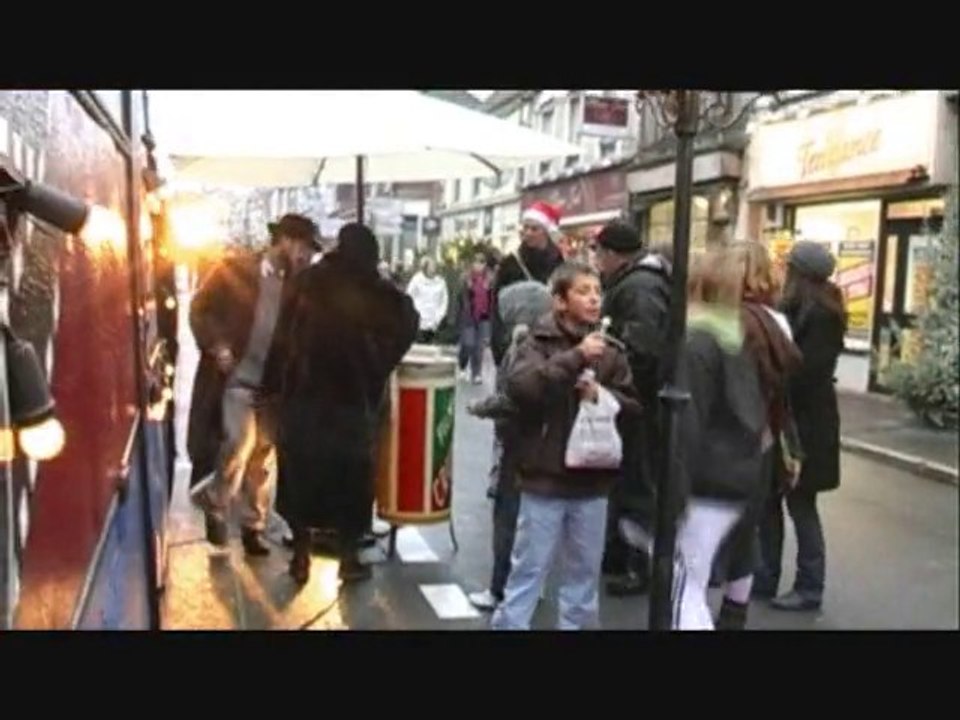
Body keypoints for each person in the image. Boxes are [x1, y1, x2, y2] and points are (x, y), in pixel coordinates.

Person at [490, 262, 641, 630]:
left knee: (583, 577)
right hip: (545, 476)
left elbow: (634, 406)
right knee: (529, 570)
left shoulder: (611, 350)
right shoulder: (535, 342)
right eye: (583, 291)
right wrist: (575, 358)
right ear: (559, 301)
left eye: (596, 291)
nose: (593, 299)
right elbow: (522, 388)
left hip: (592, 479)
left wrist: (601, 395)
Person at [270, 222, 418, 584]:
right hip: (352, 402)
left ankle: (301, 556)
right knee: (351, 481)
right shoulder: (377, 289)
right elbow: (409, 320)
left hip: (305, 401)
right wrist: (379, 363)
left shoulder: (307, 281)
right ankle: (348, 559)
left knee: (299, 478)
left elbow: (281, 337)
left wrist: (276, 388)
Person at [187, 213, 319, 556]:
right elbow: (199, 308)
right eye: (304, 247)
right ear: (285, 240)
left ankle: (252, 526)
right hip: (234, 379)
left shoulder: (298, 285)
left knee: (262, 457)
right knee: (238, 442)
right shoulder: (235, 269)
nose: (306, 256)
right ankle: (215, 502)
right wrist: (215, 344)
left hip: (272, 385)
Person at [670, 246, 767, 630]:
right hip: (737, 473)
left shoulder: (699, 340)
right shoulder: (734, 337)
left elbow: (688, 425)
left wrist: (673, 496)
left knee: (685, 588)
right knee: (697, 577)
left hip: (706, 481)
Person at [711, 241, 802, 630]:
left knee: (706, 529)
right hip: (763, 435)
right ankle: (735, 612)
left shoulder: (724, 320)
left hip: (723, 440)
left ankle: (695, 611)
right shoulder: (776, 320)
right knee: (746, 529)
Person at [757, 241, 846, 612]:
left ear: (799, 273)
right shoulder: (801, 309)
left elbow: (806, 373)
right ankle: (765, 575)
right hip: (791, 420)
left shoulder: (819, 315)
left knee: (800, 504)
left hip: (805, 426)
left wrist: (774, 373)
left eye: (788, 266)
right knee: (770, 499)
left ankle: (809, 586)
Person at [592, 222, 672, 596]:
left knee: (637, 485)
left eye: (598, 253)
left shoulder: (639, 287)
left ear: (612, 253)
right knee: (626, 482)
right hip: (636, 400)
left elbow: (644, 348)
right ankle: (620, 554)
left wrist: (612, 365)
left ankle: (640, 566)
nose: (596, 261)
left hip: (640, 402)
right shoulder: (636, 282)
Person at [466, 279, 552, 611]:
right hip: (547, 446)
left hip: (519, 444)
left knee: (508, 517)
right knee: (538, 521)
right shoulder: (557, 342)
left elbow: (515, 397)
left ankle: (499, 588)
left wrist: (483, 407)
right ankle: (533, 582)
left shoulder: (523, 347)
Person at [490, 201, 565, 367]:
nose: (528, 233)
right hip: (514, 346)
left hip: (551, 348)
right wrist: (500, 348)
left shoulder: (561, 265)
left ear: (546, 231)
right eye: (525, 228)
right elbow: (495, 307)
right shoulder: (510, 264)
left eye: (534, 228)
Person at [455, 253, 494, 384]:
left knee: (479, 347)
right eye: (477, 262)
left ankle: (476, 373)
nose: (479, 265)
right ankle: (462, 366)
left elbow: (492, 298)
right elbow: (459, 299)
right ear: (472, 264)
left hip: (484, 316)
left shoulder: (490, 279)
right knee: (468, 344)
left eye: (482, 262)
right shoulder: (465, 278)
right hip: (469, 316)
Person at [406, 257, 449, 344]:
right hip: (419, 321)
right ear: (425, 268)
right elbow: (409, 297)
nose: (433, 269)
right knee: (419, 347)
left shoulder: (441, 282)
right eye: (431, 266)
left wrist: (439, 316)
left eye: (434, 266)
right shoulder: (417, 280)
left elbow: (444, 301)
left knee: (430, 349)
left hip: (434, 321)